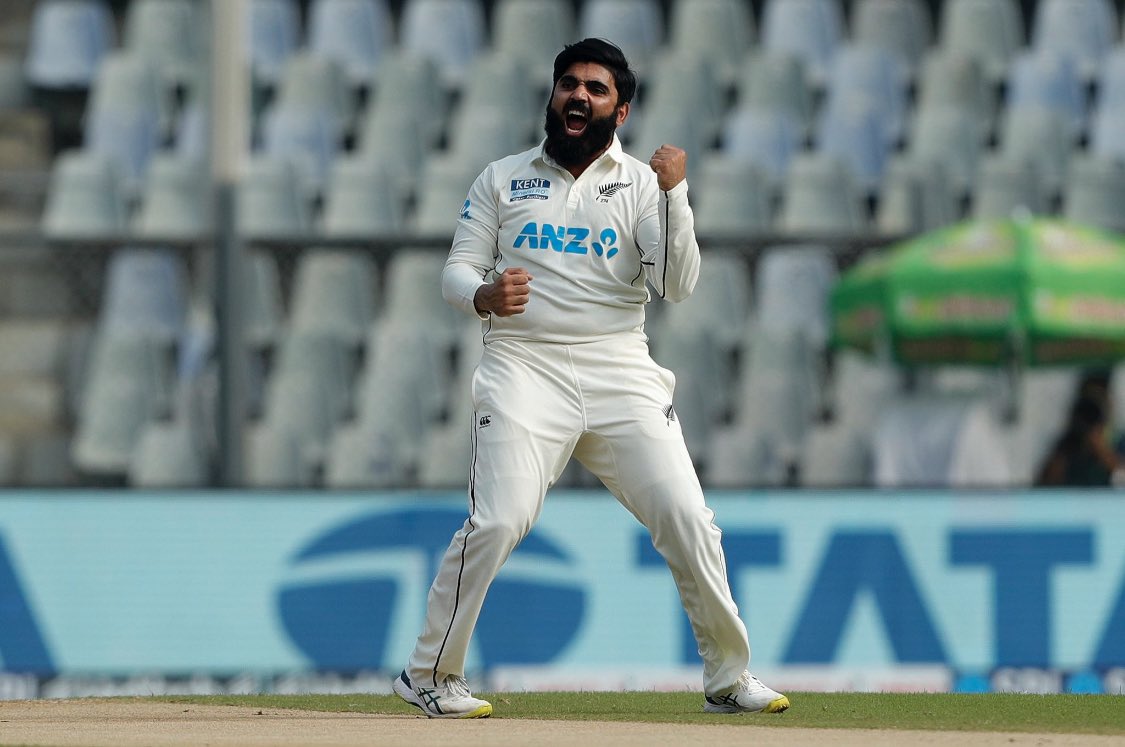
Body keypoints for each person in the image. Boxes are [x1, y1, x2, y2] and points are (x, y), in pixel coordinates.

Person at [392, 38, 789, 719]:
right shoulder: (502, 177)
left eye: (595, 89)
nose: (578, 96)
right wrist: (484, 295)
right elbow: (457, 268)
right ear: (552, 96)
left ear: (620, 110)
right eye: (568, 84)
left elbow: (673, 284)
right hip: (524, 365)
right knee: (498, 520)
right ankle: (430, 673)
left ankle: (728, 675)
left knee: (688, 516)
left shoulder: (642, 183)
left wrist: (675, 194)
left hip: (618, 365)